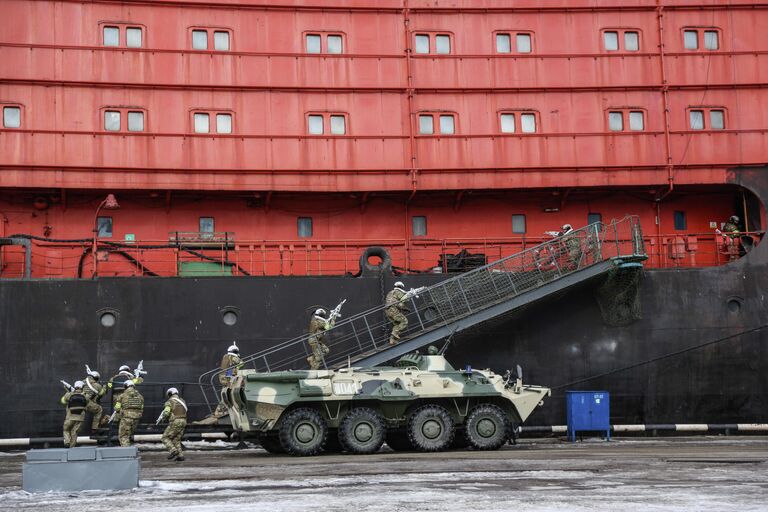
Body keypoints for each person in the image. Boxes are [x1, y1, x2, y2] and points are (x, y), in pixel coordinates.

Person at [159, 387, 188, 462]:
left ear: (169, 394)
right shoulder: (182, 401)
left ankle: (173, 451)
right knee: (176, 439)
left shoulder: (170, 402)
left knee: (165, 438)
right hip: (184, 421)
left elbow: (166, 412)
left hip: (175, 422)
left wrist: (162, 419)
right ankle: (180, 456)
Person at [214, 343, 243, 417]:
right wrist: (239, 358)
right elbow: (241, 363)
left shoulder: (226, 357)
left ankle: (220, 411)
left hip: (224, 376)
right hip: (226, 378)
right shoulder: (232, 357)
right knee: (228, 394)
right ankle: (219, 412)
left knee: (226, 393)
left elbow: (229, 370)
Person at [113, 380, 144, 447]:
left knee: (124, 436)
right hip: (136, 418)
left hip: (126, 418)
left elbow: (117, 408)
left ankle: (126, 452)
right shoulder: (140, 396)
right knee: (129, 435)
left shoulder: (122, 396)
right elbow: (141, 408)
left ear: (125, 386)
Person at [60, 381, 87, 448]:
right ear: (82, 387)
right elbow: (87, 402)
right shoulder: (85, 395)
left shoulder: (69, 394)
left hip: (70, 417)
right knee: (74, 432)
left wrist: (68, 392)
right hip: (80, 418)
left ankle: (67, 441)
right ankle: (72, 447)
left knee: (66, 429)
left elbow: (62, 401)